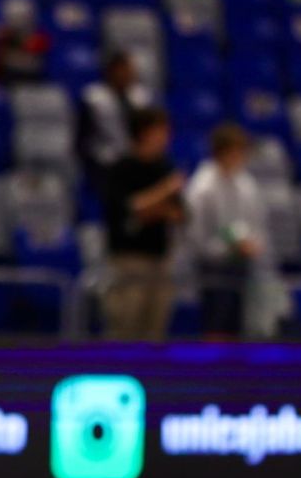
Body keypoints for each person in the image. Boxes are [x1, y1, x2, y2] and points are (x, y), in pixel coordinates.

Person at [101, 106, 183, 340]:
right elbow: (127, 208)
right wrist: (162, 193)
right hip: (129, 260)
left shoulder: (165, 166)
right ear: (145, 132)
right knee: (126, 324)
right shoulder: (122, 167)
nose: (167, 136)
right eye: (161, 130)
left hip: (160, 259)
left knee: (156, 329)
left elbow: (178, 214)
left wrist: (150, 209)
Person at [186, 123, 272, 337]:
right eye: (234, 152)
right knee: (215, 324)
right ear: (220, 152)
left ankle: (233, 365)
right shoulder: (201, 188)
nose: (240, 157)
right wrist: (227, 247)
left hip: (242, 265)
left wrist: (252, 244)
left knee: (238, 325)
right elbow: (196, 236)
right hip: (212, 267)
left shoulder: (246, 184)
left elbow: (257, 223)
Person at [79, 50, 154, 185]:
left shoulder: (140, 98)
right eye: (122, 70)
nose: (127, 75)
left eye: (129, 70)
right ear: (111, 71)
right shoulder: (94, 98)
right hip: (104, 162)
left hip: (134, 160)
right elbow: (83, 138)